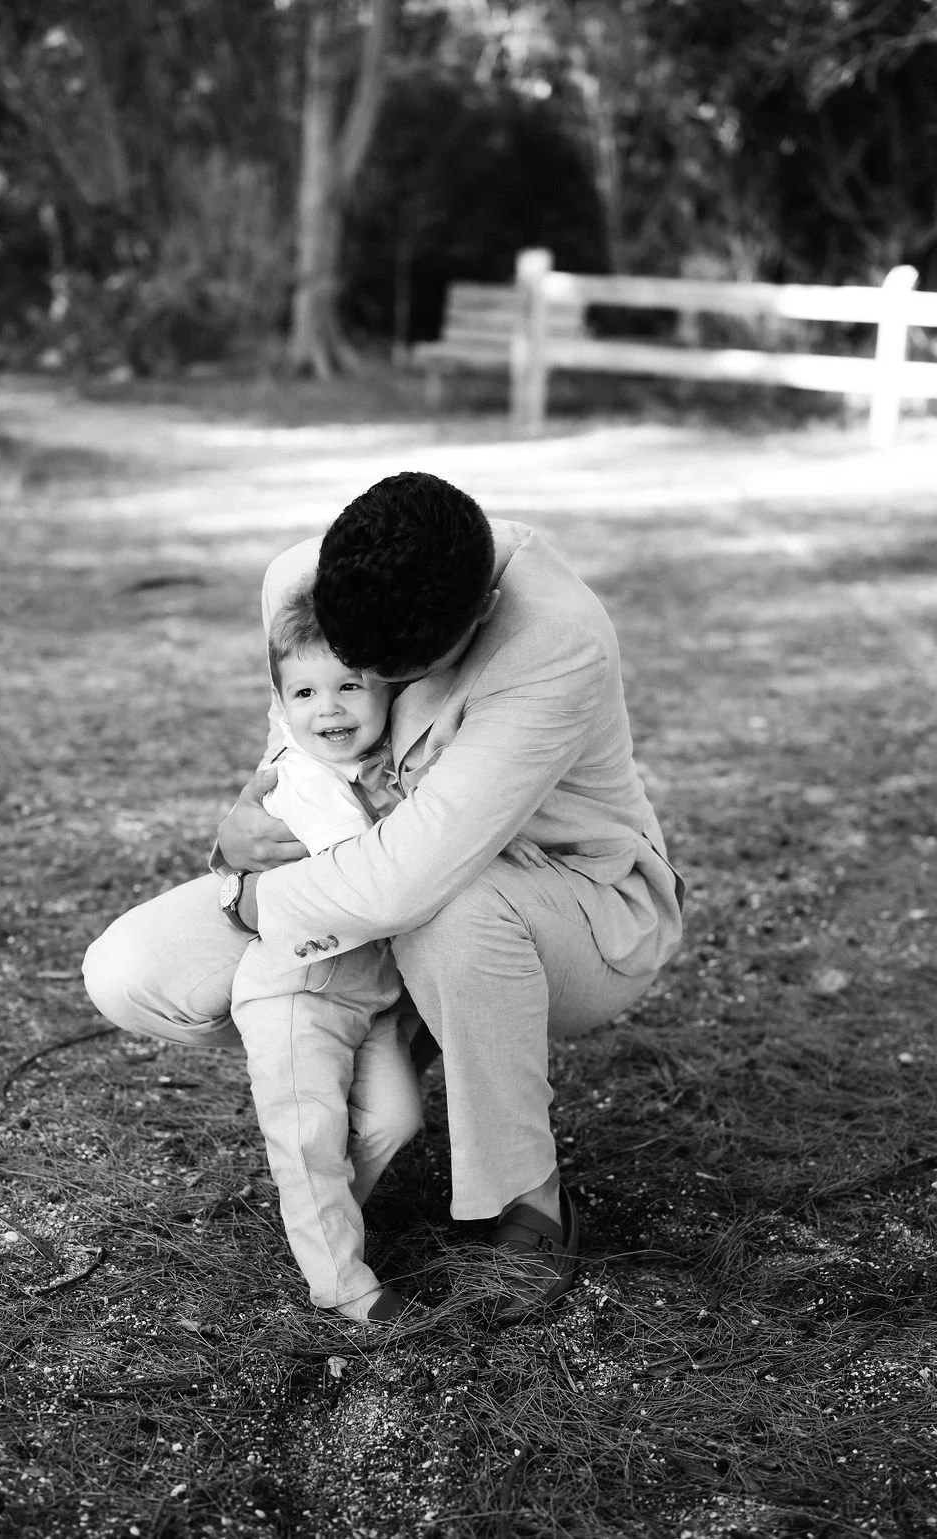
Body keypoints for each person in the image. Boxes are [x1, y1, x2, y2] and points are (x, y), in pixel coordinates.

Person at [83, 470, 685, 1325]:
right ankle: (372, 1047)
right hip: (361, 880)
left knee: (458, 914)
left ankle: (532, 1196)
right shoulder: (296, 582)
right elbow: (293, 761)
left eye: (384, 676)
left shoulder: (556, 640)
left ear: (474, 619)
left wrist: (252, 901)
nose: (357, 685)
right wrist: (236, 840)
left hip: (564, 905)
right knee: (128, 970)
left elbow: (415, 872)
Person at [228, 583, 423, 1323]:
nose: (329, 708)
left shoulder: (388, 763)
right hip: (295, 987)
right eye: (305, 692)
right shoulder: (295, 778)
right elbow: (362, 874)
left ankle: (314, 1209)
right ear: (282, 704)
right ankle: (342, 1283)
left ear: (386, 689)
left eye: (349, 685)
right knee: (309, 1135)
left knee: (394, 1119)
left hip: (365, 992)